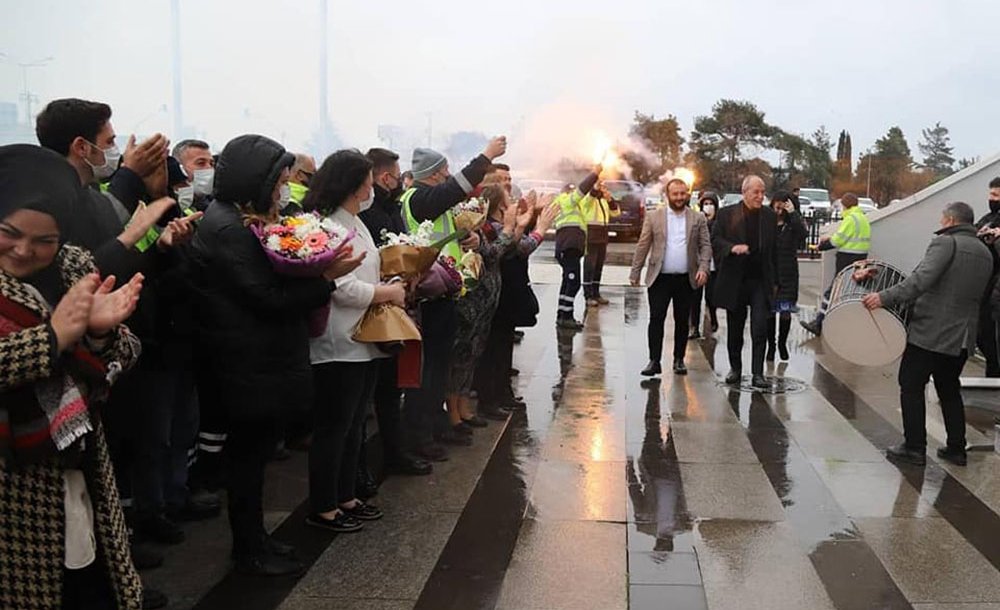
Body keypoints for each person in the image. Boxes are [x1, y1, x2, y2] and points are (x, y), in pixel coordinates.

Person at [188, 134, 363, 575]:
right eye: (280, 180)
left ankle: (257, 540)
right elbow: (266, 297)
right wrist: (324, 277)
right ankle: (248, 551)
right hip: (247, 362)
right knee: (246, 462)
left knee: (255, 459)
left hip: (261, 361)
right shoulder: (228, 227)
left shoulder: (241, 220)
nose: (284, 189)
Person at [0, 144, 145, 610]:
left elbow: (126, 350)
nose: (25, 251)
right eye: (9, 233)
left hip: (76, 467)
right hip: (12, 484)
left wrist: (101, 336)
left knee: (86, 587)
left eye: (44, 240)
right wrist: (53, 338)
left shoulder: (74, 266)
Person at [303, 150, 406, 533]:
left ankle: (345, 495)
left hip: (363, 340)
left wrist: (390, 286)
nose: (372, 187)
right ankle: (324, 505)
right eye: (366, 181)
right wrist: (385, 294)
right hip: (339, 342)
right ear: (352, 185)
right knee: (334, 427)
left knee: (354, 425)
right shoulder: (328, 227)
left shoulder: (356, 223)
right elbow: (341, 288)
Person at [863, 201, 993, 467]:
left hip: (931, 330)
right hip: (963, 334)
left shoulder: (946, 243)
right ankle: (956, 448)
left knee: (910, 383)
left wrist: (884, 297)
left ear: (949, 221)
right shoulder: (985, 252)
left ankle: (914, 447)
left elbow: (920, 280)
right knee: (948, 388)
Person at [399, 138, 505, 462]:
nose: (448, 174)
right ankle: (420, 435)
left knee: (440, 367)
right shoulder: (418, 198)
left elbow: (447, 231)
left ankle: (436, 424)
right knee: (428, 372)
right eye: (443, 169)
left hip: (444, 290)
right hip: (427, 296)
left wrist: (469, 236)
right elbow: (454, 191)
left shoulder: (432, 200)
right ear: (431, 174)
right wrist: (486, 156)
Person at [358, 148, 432, 476]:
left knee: (390, 388)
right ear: (383, 177)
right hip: (369, 307)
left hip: (395, 301)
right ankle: (359, 468)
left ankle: (394, 452)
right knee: (365, 397)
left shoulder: (390, 207)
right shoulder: (365, 214)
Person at [446, 185, 530, 432]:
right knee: (461, 355)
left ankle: (463, 407)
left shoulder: (483, 229)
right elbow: (493, 254)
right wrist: (510, 228)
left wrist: (519, 226)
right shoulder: (480, 229)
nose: (511, 203)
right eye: (508, 200)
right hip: (471, 300)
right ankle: (453, 412)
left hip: (486, 301)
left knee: (473, 353)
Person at [630, 178, 711, 376]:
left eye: (683, 194)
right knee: (656, 318)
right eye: (675, 194)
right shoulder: (653, 216)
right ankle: (654, 361)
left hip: (686, 278)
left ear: (688, 194)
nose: (679, 198)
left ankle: (678, 359)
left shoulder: (697, 218)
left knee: (682, 320)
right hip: (660, 278)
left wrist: (704, 268)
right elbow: (643, 244)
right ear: (668, 195)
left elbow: (705, 245)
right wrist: (635, 271)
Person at [712, 175, 778, 388]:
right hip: (736, 280)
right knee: (735, 327)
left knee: (760, 327)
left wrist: (777, 282)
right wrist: (731, 248)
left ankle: (758, 373)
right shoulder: (726, 214)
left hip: (760, 280)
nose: (760, 196)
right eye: (756, 192)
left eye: (762, 192)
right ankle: (736, 369)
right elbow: (715, 240)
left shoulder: (768, 216)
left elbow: (775, 252)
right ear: (745, 192)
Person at [800, 192, 871, 336]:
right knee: (851, 291)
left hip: (847, 259)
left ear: (845, 205)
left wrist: (822, 246)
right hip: (860, 259)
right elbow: (849, 237)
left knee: (832, 291)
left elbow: (838, 240)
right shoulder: (862, 218)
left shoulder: (850, 219)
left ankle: (819, 323)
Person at [553, 167, 601, 329]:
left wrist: (595, 189)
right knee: (573, 283)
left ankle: (562, 315)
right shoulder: (565, 200)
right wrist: (594, 174)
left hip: (570, 247)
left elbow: (586, 200)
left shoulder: (573, 206)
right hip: (569, 247)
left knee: (567, 281)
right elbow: (581, 192)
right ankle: (566, 317)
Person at [767, 190, 808, 361]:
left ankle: (782, 343)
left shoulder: (792, 224)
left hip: (788, 273)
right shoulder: (767, 221)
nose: (779, 206)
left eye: (783, 203)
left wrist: (793, 214)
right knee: (769, 312)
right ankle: (771, 345)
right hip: (770, 272)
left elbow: (803, 235)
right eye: (777, 202)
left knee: (785, 312)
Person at [973, 177, 1000, 377]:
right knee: (982, 336)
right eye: (990, 194)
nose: (991, 199)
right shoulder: (989, 218)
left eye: (996, 195)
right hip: (985, 289)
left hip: (995, 296)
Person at [582, 182, 620, 307]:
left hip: (602, 236)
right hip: (591, 235)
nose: (603, 189)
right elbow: (587, 203)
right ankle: (588, 295)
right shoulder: (588, 198)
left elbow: (616, 213)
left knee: (598, 266)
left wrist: (609, 199)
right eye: (601, 187)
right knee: (589, 267)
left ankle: (596, 293)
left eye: (604, 187)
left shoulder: (603, 200)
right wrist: (594, 189)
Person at [689, 191, 720, 338]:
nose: (708, 207)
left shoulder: (719, 222)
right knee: (695, 297)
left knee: (711, 296)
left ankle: (712, 316)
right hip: (699, 264)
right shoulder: (697, 220)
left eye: (711, 204)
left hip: (713, 265)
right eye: (705, 204)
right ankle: (694, 326)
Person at [171, 139, 215, 210]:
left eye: (211, 164)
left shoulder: (214, 205)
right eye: (201, 163)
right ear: (180, 169)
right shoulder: (165, 204)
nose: (209, 168)